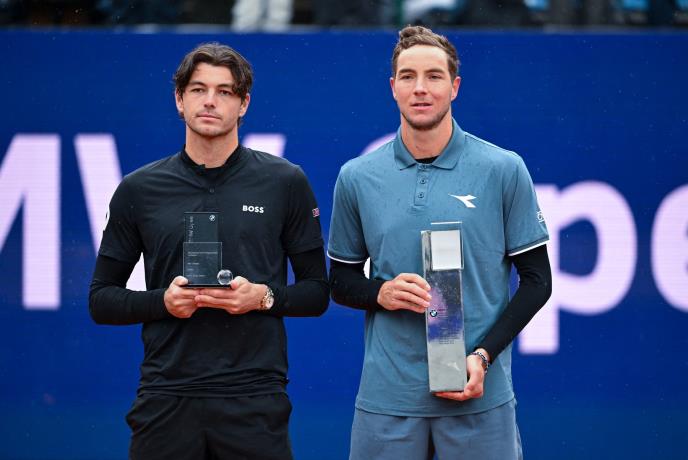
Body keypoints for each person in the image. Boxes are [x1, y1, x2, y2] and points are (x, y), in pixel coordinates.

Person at [89, 42, 329, 460]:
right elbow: (101, 299)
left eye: (225, 91)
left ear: (244, 104)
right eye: (198, 89)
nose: (210, 101)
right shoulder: (138, 189)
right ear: (179, 100)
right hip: (166, 395)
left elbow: (317, 292)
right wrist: (163, 302)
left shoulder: (285, 181)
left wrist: (263, 297)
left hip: (254, 397)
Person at [328, 26, 552, 459]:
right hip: (388, 400)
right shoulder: (357, 176)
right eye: (408, 76)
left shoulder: (503, 169)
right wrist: (381, 292)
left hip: (478, 396)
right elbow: (340, 280)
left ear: (455, 86)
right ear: (393, 87)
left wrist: (483, 356)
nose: (420, 88)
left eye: (434, 76)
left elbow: (538, 281)